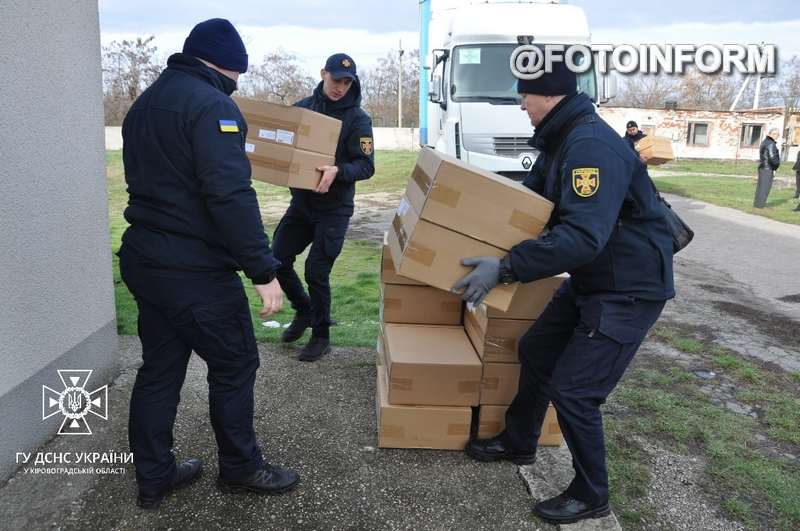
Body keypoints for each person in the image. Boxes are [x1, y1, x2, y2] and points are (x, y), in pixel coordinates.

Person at [454, 58, 674, 524]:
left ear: (550, 96)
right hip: (598, 278)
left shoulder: (590, 145)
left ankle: (591, 493)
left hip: (628, 288)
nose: (520, 105)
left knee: (575, 392)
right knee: (537, 348)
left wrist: (507, 267)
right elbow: (532, 199)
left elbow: (582, 236)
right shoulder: (564, 139)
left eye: (524, 96)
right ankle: (519, 442)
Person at [118, 18, 299, 509]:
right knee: (235, 363)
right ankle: (240, 468)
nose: (238, 84)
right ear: (228, 66)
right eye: (238, 74)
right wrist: (263, 270)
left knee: (160, 369)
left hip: (146, 258)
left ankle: (154, 476)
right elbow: (228, 193)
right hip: (192, 269)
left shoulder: (144, 103)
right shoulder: (214, 105)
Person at [271, 53, 375, 362]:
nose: (340, 87)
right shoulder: (303, 109)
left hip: (334, 209)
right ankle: (303, 311)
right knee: (275, 260)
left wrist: (338, 171)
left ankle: (321, 335)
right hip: (301, 205)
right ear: (322, 74)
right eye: (335, 79)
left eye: (346, 82)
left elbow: (366, 166)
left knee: (316, 270)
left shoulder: (358, 118)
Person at [754, 128, 781, 208]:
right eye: (775, 134)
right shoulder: (771, 144)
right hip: (768, 168)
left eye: (777, 134)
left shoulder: (765, 141)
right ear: (770, 134)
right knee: (765, 187)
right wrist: (776, 166)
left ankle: (758, 204)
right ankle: (760, 205)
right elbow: (773, 158)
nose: (777, 136)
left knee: (761, 187)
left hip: (763, 167)